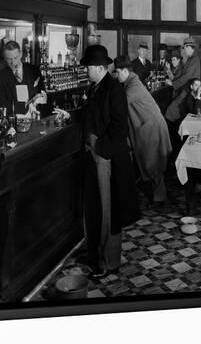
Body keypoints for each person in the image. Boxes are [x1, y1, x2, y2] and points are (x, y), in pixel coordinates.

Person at [78, 45, 140, 278]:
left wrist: (100, 150)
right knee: (94, 208)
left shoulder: (113, 89)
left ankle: (107, 262)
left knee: (107, 212)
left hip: (106, 157)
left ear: (99, 67)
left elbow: (119, 127)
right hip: (94, 155)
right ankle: (94, 254)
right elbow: (90, 116)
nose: (86, 71)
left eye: (89, 67)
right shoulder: (95, 87)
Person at [114, 56, 172, 205]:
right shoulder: (129, 81)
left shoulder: (134, 85)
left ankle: (160, 198)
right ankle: (156, 195)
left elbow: (120, 104)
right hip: (147, 126)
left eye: (118, 72)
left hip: (152, 127)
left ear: (126, 71)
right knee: (151, 162)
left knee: (154, 163)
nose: (116, 75)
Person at [0, 40, 46, 116]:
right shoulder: (0, 76)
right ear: (4, 58)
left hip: (35, 116)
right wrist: (24, 105)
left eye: (15, 58)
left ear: (21, 54)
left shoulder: (34, 70)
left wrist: (40, 98)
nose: (13, 62)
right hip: (13, 119)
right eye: (9, 59)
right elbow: (0, 103)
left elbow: (42, 92)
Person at [164, 37, 201, 123]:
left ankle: (171, 133)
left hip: (189, 90)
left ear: (189, 47)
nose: (184, 51)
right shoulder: (191, 59)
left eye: (185, 48)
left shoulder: (195, 59)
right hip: (186, 89)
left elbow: (187, 76)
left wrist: (173, 84)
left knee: (171, 110)